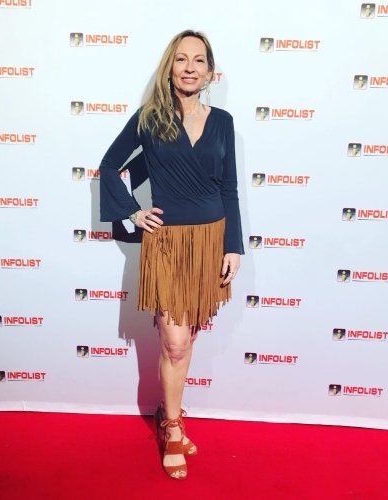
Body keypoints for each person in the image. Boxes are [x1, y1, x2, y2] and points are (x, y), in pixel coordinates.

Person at [99, 29, 244, 479]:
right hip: (167, 242)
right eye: (181, 59)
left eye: (199, 60)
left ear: (210, 72)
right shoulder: (150, 118)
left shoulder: (223, 121)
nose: (189, 67)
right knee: (175, 342)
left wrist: (234, 245)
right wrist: (133, 213)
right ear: (170, 67)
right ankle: (173, 426)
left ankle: (170, 412)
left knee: (187, 340)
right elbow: (109, 166)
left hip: (209, 241)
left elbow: (230, 188)